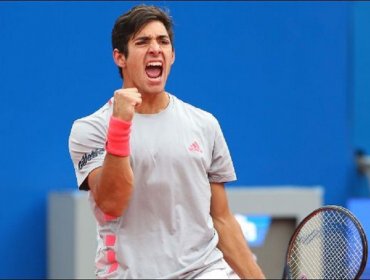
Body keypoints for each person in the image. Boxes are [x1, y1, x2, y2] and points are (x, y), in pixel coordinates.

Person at [69, 4, 265, 279]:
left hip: (205, 270)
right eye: (142, 42)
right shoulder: (90, 129)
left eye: (163, 41)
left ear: (172, 55)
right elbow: (111, 202)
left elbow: (221, 218)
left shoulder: (204, 124)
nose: (155, 49)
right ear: (119, 57)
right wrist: (121, 125)